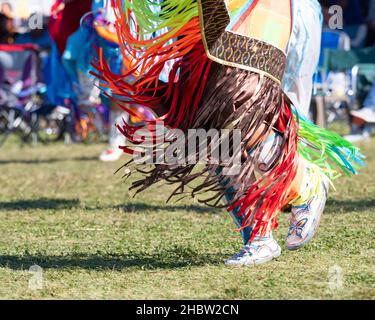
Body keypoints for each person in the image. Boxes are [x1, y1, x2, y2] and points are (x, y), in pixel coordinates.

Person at [94, 0, 363, 266]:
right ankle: (259, 237)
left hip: (257, 20)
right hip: (201, 25)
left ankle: (304, 185)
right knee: (211, 135)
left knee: (243, 111)